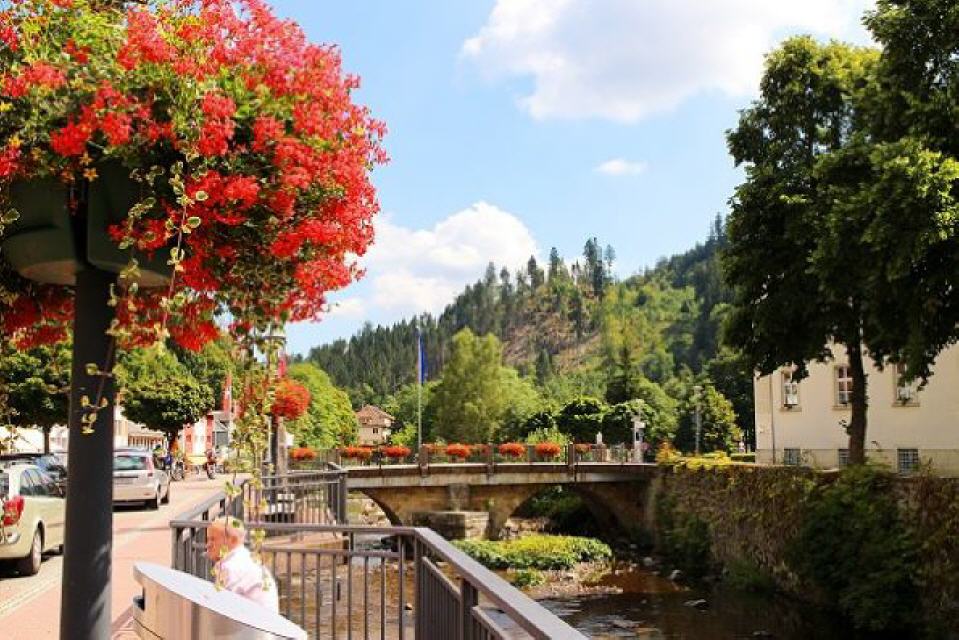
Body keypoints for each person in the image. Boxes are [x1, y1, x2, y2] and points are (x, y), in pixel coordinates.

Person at [205, 516, 279, 613]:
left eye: (213, 539)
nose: (208, 545)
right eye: (208, 539)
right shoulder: (244, 559)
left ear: (233, 540)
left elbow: (219, 608)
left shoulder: (232, 567)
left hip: (251, 620)